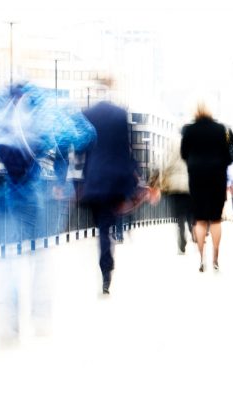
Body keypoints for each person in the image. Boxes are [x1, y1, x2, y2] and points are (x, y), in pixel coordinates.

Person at [0, 82, 95, 346]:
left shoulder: (0, 103)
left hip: (3, 187)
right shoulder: (45, 104)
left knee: (8, 252)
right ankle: (40, 315)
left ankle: (9, 316)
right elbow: (84, 134)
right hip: (40, 187)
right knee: (39, 252)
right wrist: (58, 165)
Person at [80, 80, 139, 296]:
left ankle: (105, 266)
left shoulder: (88, 113)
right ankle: (107, 267)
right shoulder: (120, 114)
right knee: (108, 225)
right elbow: (126, 149)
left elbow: (81, 149)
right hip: (115, 180)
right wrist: (131, 180)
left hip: (94, 179)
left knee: (102, 229)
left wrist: (79, 180)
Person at [181, 101, 233, 272]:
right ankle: (215, 258)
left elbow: (184, 153)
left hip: (197, 176)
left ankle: (201, 259)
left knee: (200, 220)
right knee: (215, 218)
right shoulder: (221, 129)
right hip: (217, 176)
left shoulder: (188, 130)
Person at [161, 137, 193, 254]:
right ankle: (192, 229)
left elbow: (165, 162)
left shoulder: (171, 143)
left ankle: (181, 236)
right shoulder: (191, 143)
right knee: (190, 210)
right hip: (188, 183)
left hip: (174, 183)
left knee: (179, 213)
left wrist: (163, 177)